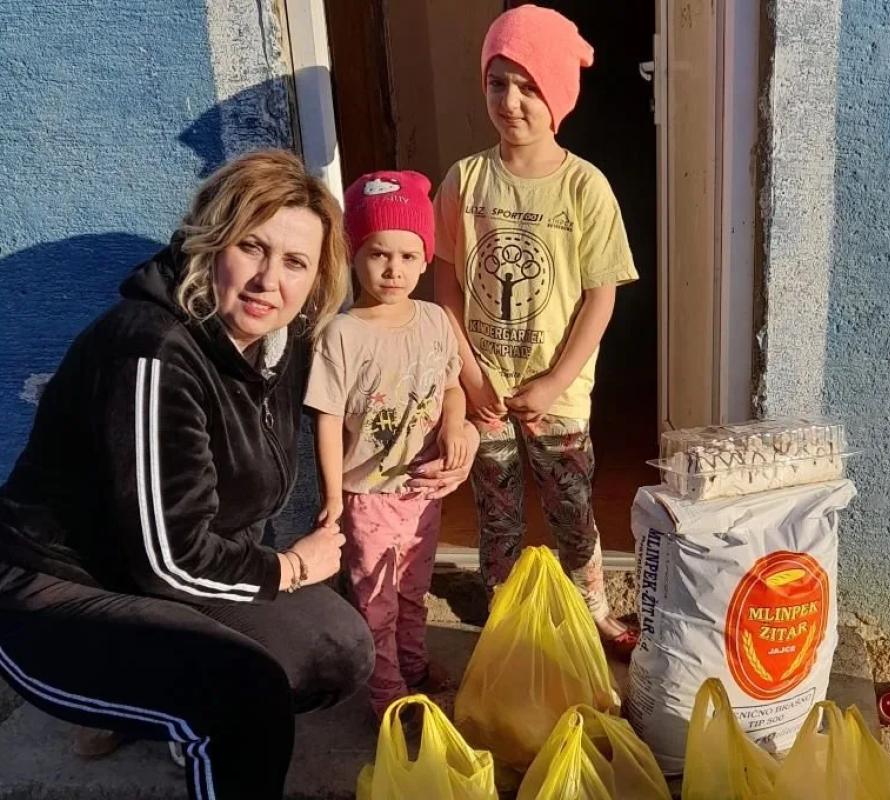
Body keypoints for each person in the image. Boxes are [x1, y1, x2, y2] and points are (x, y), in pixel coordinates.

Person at [0, 150, 467, 799]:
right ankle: (158, 702)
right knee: (244, 699)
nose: (268, 279)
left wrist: (461, 426)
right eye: (252, 246)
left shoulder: (276, 346)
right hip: (58, 587)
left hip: (166, 570)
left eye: (296, 262)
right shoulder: (151, 351)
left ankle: (159, 701)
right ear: (212, 241)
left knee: (341, 651)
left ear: (317, 278)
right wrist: (291, 567)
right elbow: (169, 559)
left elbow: (400, 381)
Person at [433, 5, 640, 659]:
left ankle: (592, 609)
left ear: (558, 95)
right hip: (484, 390)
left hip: (559, 395)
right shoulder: (465, 180)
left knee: (571, 506)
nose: (511, 101)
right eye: (498, 83)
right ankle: (504, 610)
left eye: (529, 86)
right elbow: (445, 282)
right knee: (495, 510)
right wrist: (470, 374)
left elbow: (601, 298)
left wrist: (554, 381)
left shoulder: (585, 187)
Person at [306, 169, 475, 720]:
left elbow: (451, 387)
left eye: (407, 255)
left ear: (425, 259)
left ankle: (415, 667)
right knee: (375, 600)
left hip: (423, 492)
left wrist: (455, 426)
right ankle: (387, 696)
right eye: (379, 253)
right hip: (369, 496)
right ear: (354, 255)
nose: (393, 269)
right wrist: (335, 496)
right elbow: (327, 418)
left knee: (412, 592)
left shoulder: (435, 321)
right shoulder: (341, 334)